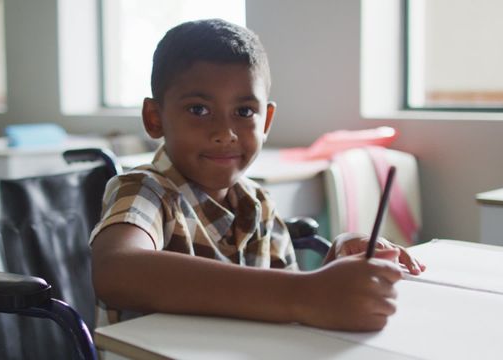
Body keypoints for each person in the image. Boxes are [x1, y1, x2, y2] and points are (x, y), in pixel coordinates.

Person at [89, 18, 425, 331]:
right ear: (154, 118)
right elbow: (116, 270)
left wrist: (335, 265)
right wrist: (305, 294)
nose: (225, 132)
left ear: (266, 122)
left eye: (244, 111)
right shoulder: (144, 190)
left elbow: (281, 296)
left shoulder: (258, 203)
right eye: (198, 110)